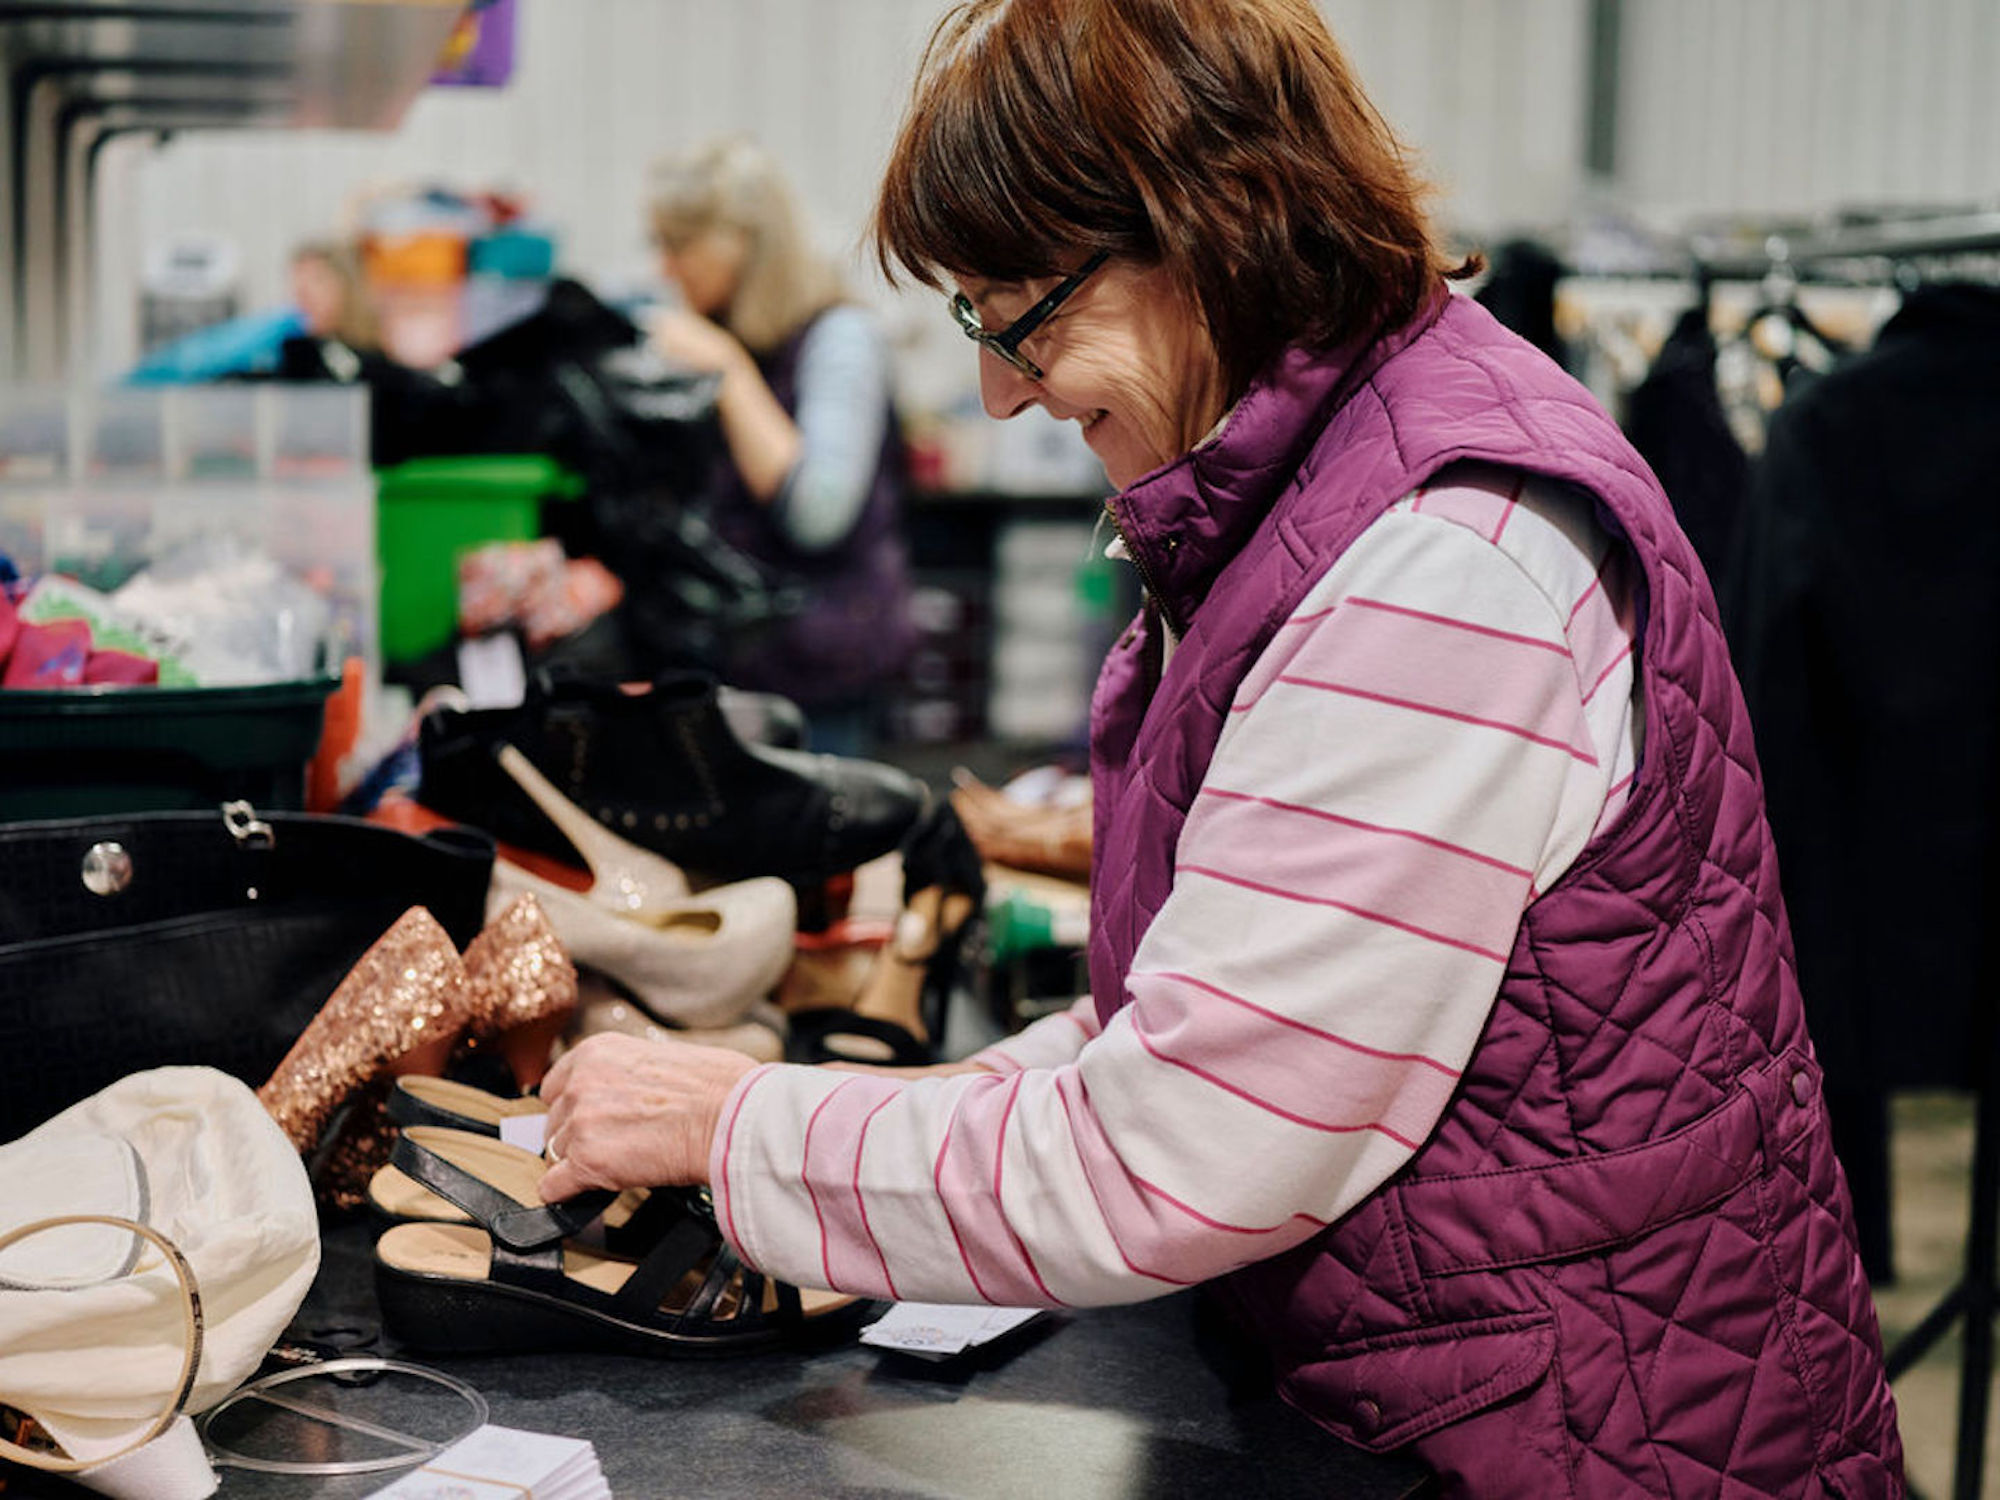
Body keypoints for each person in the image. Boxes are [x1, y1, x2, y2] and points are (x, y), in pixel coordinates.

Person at [537, 2, 1904, 1492]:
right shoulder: (1307, 494)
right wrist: (888, 1112)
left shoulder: (1443, 562)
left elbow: (1180, 1143)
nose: (999, 384)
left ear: (1212, 228)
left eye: (1022, 306)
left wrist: (742, 1130)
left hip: (1589, 1444)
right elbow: (1207, 1008)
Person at [645, 136, 916, 755]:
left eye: (678, 244)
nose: (665, 266)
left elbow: (818, 513)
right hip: (731, 668)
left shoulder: (839, 339)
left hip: (822, 677)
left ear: (737, 245)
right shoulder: (717, 331)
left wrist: (728, 373)